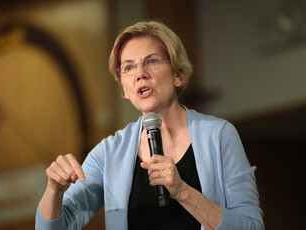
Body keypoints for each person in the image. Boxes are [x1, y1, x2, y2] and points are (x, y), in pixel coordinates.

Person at [35, 20, 264, 230]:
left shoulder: (219, 135)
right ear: (124, 88)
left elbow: (252, 226)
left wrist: (182, 191)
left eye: (152, 61)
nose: (140, 74)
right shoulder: (109, 153)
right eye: (128, 67)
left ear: (178, 75)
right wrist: (54, 190)